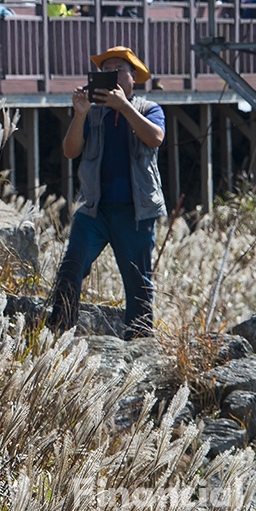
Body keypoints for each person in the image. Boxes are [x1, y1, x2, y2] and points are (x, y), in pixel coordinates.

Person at [48, 47, 165, 340]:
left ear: (133, 78)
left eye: (117, 70)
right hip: (93, 210)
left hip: (135, 212)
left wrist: (124, 107)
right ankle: (58, 334)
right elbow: (70, 150)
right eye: (105, 71)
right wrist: (79, 115)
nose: (110, 76)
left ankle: (139, 344)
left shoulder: (149, 108)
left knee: (138, 285)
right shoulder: (93, 113)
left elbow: (156, 138)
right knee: (71, 269)